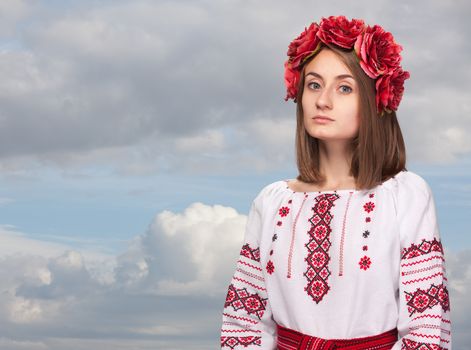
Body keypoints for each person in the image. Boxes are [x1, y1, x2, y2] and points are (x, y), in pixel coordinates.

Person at [220, 16, 451, 349]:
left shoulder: (405, 196)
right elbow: (243, 322)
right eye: (314, 84)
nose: (323, 100)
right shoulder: (271, 202)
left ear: (376, 100)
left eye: (344, 88)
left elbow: (427, 327)